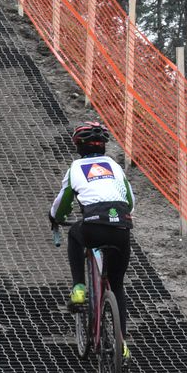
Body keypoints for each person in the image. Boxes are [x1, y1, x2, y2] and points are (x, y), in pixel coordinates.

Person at [49, 121, 136, 357]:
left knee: (75, 235)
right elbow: (130, 201)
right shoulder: (114, 166)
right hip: (121, 228)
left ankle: (79, 288)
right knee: (117, 285)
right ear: (104, 146)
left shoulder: (76, 168)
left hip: (93, 226)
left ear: (78, 146)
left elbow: (63, 202)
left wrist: (55, 218)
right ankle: (121, 344)